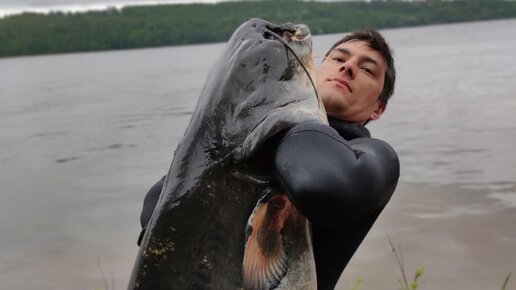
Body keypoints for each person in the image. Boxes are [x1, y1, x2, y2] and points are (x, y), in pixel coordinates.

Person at [138, 29, 399, 290]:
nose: (349, 67)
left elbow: (322, 184)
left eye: (367, 70)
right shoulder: (251, 138)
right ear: (314, 71)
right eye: (339, 59)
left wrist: (279, 112)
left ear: (378, 108)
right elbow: (154, 210)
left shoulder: (372, 156)